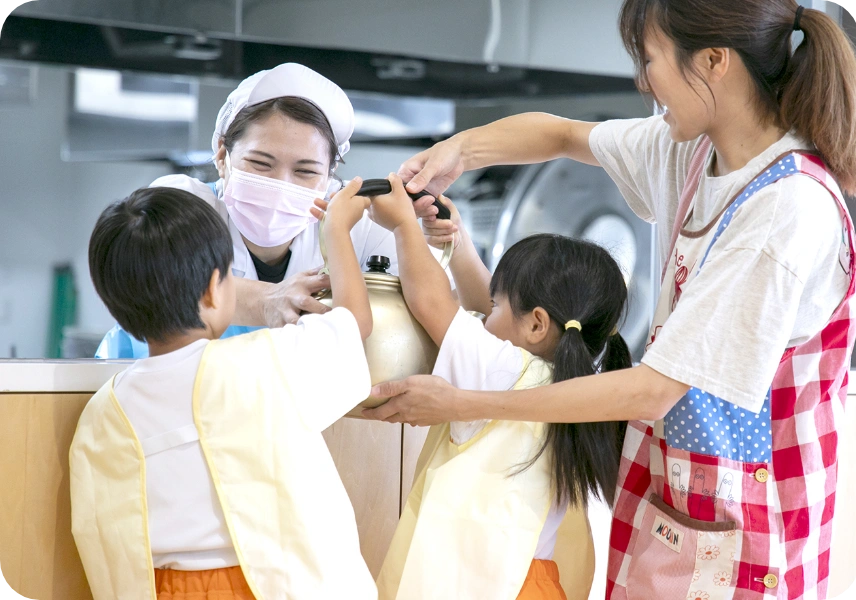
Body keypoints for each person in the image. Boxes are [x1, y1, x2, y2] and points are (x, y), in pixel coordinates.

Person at [365, 2, 856, 599]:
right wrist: (459, 152)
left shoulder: (786, 208)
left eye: (649, 60)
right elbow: (561, 134)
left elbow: (654, 389)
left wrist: (463, 401)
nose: (641, 80)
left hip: (751, 520)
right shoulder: (695, 152)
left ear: (713, 62)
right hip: (676, 499)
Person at [70, 179, 378, 599]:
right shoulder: (265, 361)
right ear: (215, 291)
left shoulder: (106, 408)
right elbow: (353, 323)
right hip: (272, 585)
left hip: (163, 588)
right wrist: (337, 231)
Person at [368, 176, 630, 599]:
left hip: (475, 584)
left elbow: (433, 302)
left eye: (496, 306)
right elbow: (481, 307)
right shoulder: (583, 385)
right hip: (538, 584)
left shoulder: (504, 370)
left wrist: (402, 225)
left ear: (537, 323)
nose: (484, 316)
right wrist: (456, 243)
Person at [96, 62, 396, 358]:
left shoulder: (359, 226)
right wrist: (268, 300)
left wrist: (414, 230)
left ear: (329, 178)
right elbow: (158, 282)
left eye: (305, 171)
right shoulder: (184, 206)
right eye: (261, 164)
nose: (280, 185)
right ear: (222, 153)